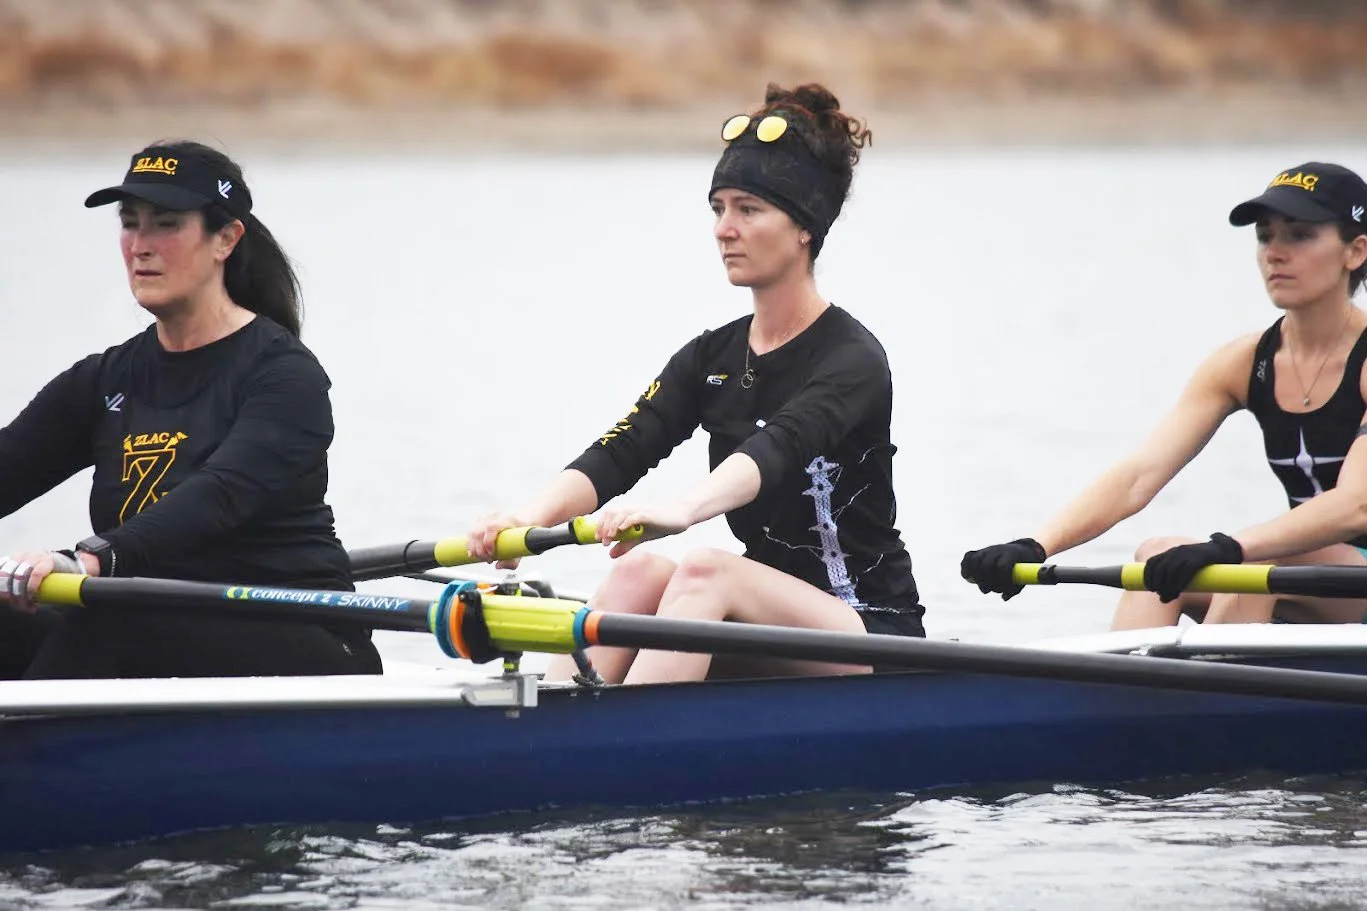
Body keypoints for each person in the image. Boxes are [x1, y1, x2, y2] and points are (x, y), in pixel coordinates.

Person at [468, 83, 924, 684]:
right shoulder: (711, 355)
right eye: (719, 208)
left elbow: (777, 446)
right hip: (766, 617)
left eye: (748, 210)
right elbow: (620, 449)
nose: (723, 229)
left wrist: (681, 510)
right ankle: (554, 729)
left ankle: (622, 753)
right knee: (637, 573)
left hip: (869, 629)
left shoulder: (852, 359)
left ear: (804, 228)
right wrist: (526, 522)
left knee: (706, 569)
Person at [0, 140, 381, 678]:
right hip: (153, 624)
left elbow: (217, 498)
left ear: (226, 238)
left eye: (166, 224)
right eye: (130, 223)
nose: (140, 246)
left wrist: (87, 559)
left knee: (111, 616)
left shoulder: (284, 376)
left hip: (304, 640)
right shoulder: (104, 379)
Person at [961, 162, 1367, 630]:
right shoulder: (1242, 362)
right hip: (1310, 576)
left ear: (1355, 252)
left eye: (1298, 235)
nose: (1275, 252)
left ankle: (1213, 690)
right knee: (1155, 560)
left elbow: (1355, 502)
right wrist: (1037, 546)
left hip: (1348, 580)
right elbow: (1138, 476)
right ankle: (1120, 694)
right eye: (1265, 235)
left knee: (1256, 562)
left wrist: (1231, 547)